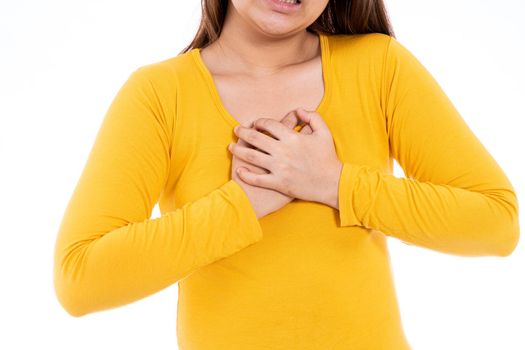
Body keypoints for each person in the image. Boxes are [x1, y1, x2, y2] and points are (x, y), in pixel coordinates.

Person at [53, 0, 520, 349]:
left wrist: (334, 184)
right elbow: (80, 278)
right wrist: (242, 206)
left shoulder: (380, 66)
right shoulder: (158, 95)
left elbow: (497, 222)